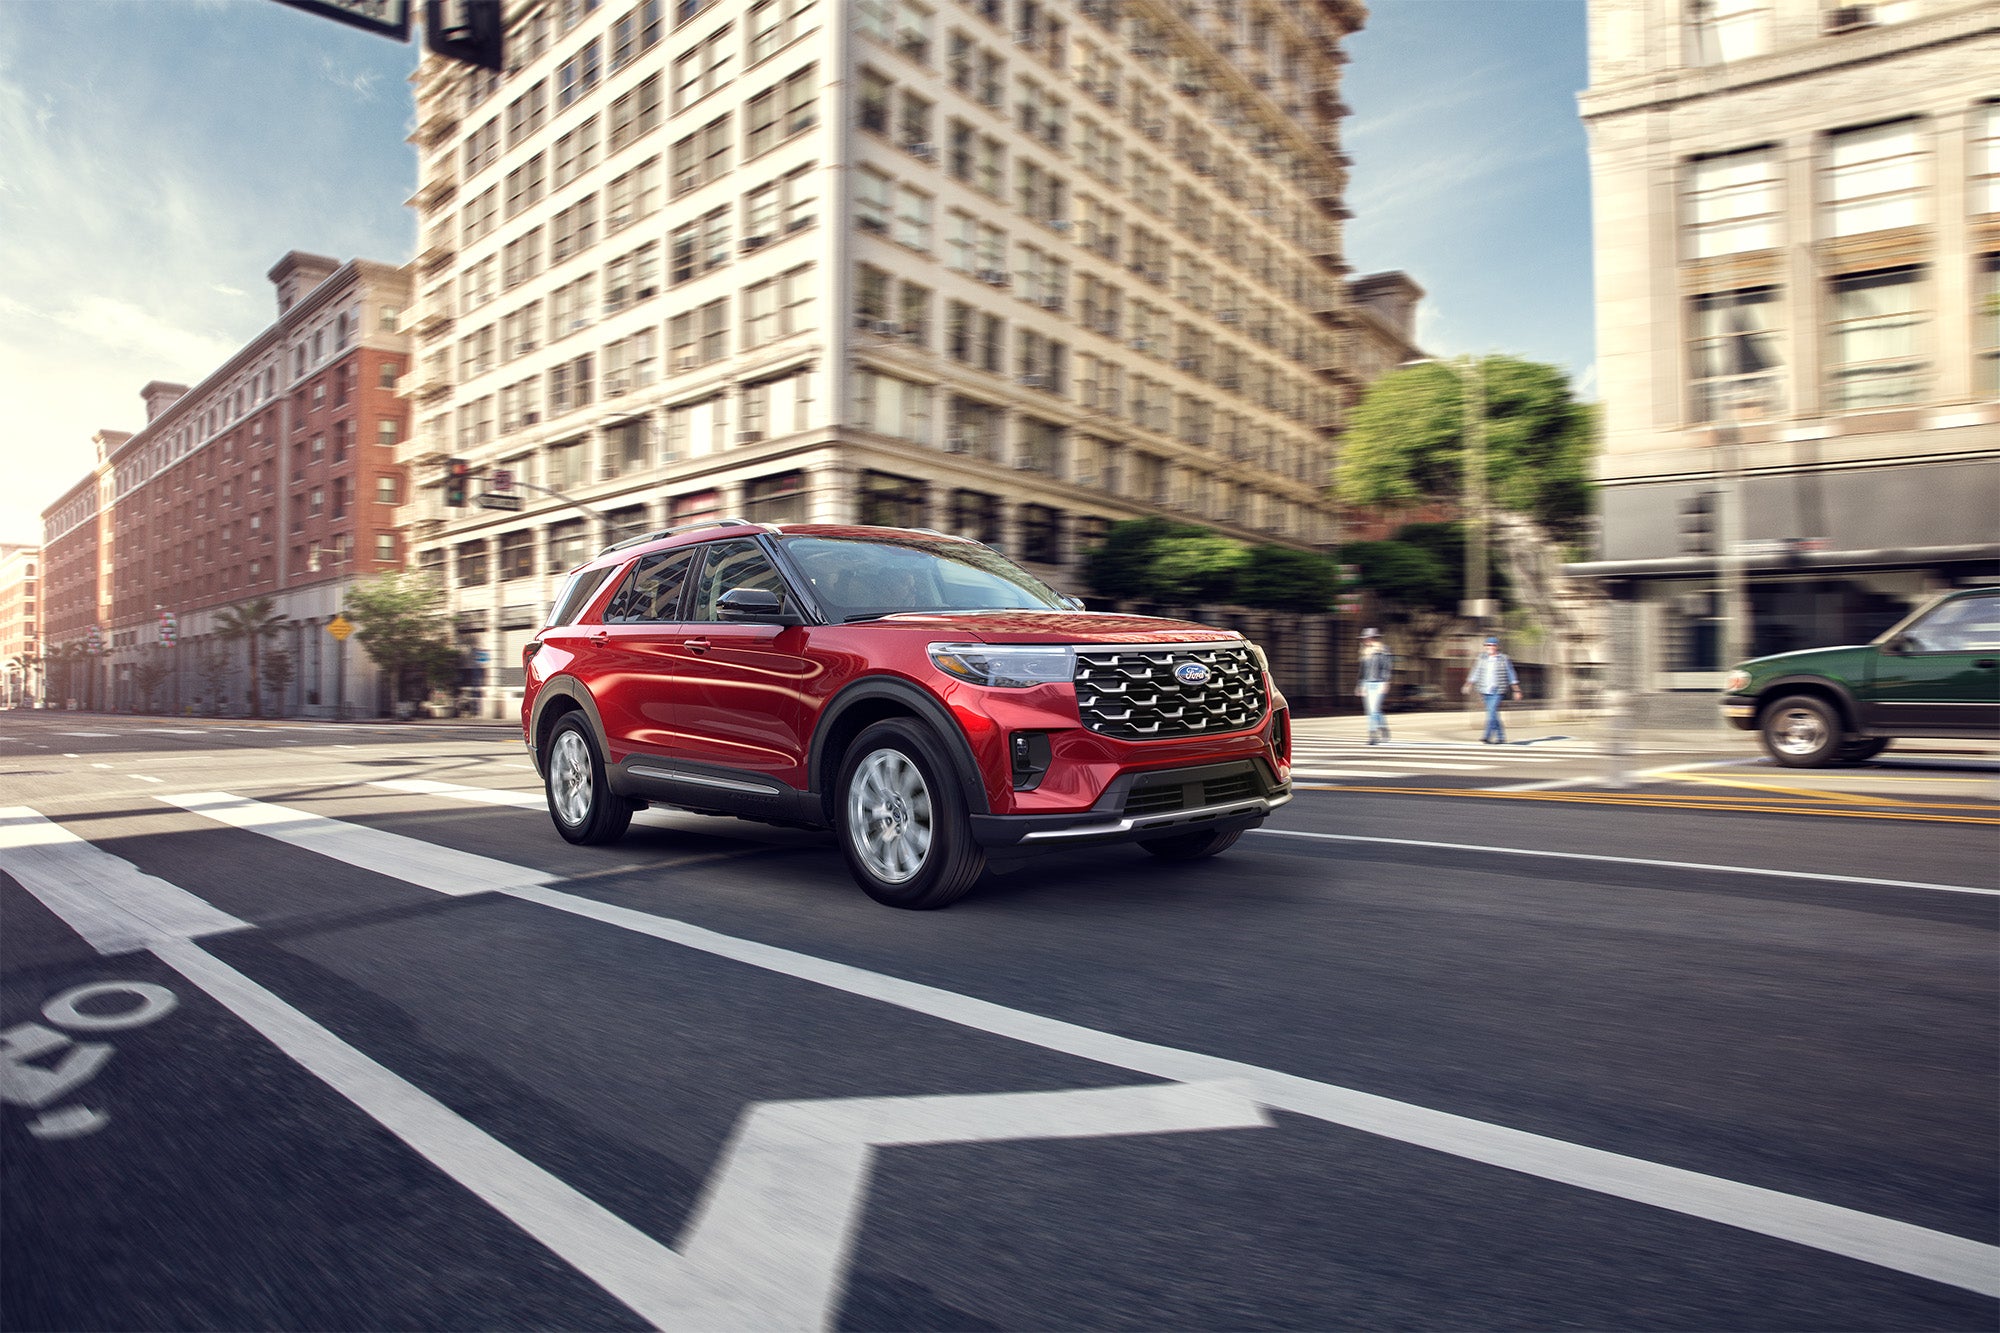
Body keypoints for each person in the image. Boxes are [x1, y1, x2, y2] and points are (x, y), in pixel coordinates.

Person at [1461, 636, 1522, 744]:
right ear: (1485, 647)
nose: (1490, 647)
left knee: (1491, 713)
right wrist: (1468, 684)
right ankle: (1501, 737)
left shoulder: (1503, 658)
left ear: (1497, 647)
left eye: (1493, 645)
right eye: (1488, 645)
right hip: (1485, 690)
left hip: (1497, 690)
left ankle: (1487, 736)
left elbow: (1511, 674)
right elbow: (1475, 672)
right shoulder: (1481, 658)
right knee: (1493, 714)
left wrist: (1516, 690)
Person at [1356, 628, 1394, 745]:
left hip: (1379, 683)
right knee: (1371, 710)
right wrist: (1360, 685)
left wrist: (1385, 682)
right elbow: (1362, 671)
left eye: (1367, 638)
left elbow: (1387, 667)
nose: (1365, 641)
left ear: (1373, 638)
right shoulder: (1364, 652)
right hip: (1367, 683)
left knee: (1374, 709)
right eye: (1364, 639)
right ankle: (1383, 728)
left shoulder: (1384, 650)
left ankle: (1373, 735)